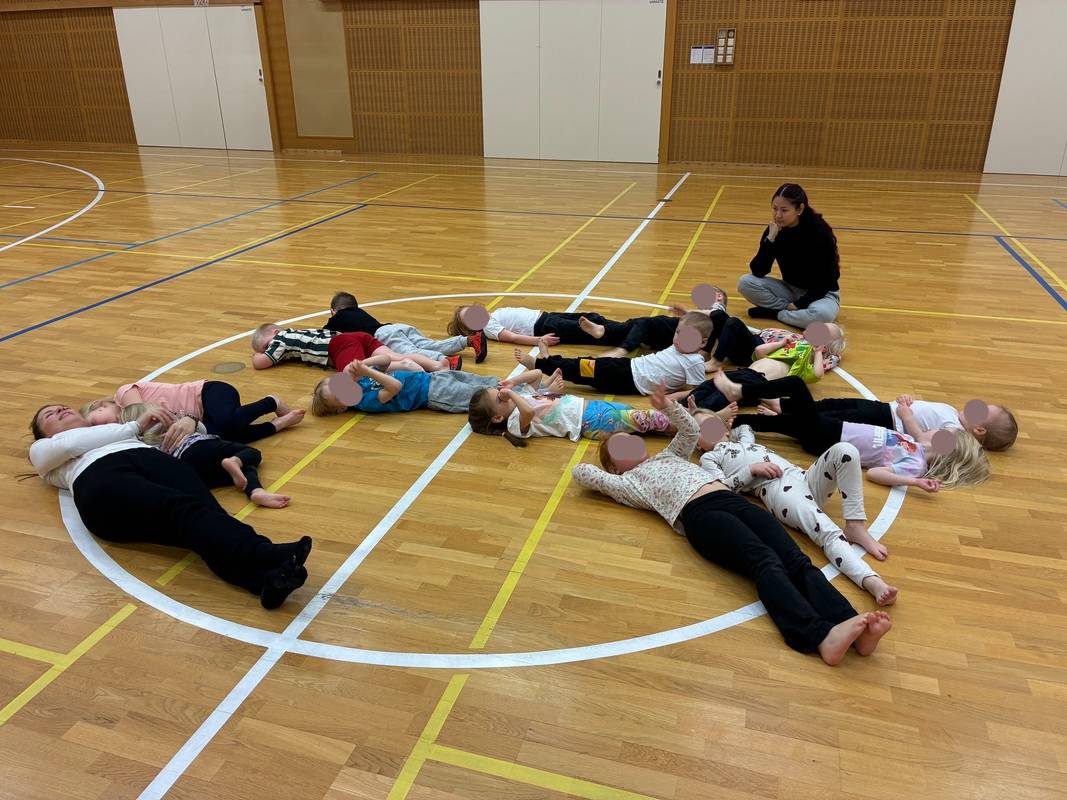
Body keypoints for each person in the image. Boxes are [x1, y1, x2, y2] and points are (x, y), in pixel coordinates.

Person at [571, 384, 891, 665]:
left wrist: (668, 405)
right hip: (701, 515)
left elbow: (690, 431)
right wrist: (608, 463)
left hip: (732, 500)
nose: (631, 444)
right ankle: (819, 636)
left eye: (631, 439)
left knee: (796, 559)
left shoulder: (670, 455)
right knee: (764, 562)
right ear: (614, 467)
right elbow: (581, 473)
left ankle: (851, 625)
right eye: (621, 447)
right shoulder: (627, 483)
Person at [28, 404, 311, 608]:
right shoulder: (43, 450)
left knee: (205, 519)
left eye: (62, 406)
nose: (59, 410)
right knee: (186, 512)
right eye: (49, 415)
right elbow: (67, 448)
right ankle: (265, 552)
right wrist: (134, 427)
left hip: (152, 461)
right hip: (100, 478)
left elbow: (182, 425)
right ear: (43, 433)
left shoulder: (113, 428)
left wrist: (187, 420)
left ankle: (265, 581)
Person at [697, 421, 897, 605]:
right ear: (698, 444)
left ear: (726, 430)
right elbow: (723, 490)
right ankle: (870, 580)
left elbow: (745, 427)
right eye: (701, 429)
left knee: (845, 450)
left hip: (804, 476)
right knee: (827, 531)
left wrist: (724, 419)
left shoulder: (744, 440)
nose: (708, 429)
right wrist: (751, 470)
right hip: (779, 490)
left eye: (711, 424)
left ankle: (855, 524)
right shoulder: (710, 457)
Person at [717, 375, 991, 491]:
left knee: (797, 386)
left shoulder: (916, 465)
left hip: (830, 438)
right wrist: (907, 411)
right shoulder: (916, 444)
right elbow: (919, 435)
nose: (932, 430)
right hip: (835, 430)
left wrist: (914, 482)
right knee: (782, 424)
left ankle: (741, 391)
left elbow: (875, 474)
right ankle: (729, 423)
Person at [108, 401, 290, 509]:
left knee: (241, 471)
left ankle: (255, 491)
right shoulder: (173, 422)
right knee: (250, 453)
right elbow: (202, 429)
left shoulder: (141, 442)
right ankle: (236, 463)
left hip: (190, 470)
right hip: (199, 446)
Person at [513, 312, 716, 396]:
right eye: (678, 332)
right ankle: (548, 361)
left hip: (629, 380)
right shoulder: (680, 347)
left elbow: (696, 392)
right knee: (583, 365)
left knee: (580, 370)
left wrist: (672, 397)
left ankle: (540, 363)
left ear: (703, 342)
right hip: (627, 366)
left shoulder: (694, 362)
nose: (678, 338)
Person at [467, 371, 678, 446]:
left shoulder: (521, 398)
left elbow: (537, 374)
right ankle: (686, 428)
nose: (504, 394)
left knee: (642, 418)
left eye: (500, 391)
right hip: (589, 421)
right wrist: (512, 394)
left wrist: (512, 383)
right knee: (647, 419)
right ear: (497, 418)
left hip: (592, 406)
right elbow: (529, 413)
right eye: (500, 398)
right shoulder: (514, 423)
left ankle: (679, 427)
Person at [761, 393, 1018, 452]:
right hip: (885, 409)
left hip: (887, 421)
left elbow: (923, 441)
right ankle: (784, 405)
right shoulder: (952, 414)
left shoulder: (954, 432)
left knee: (832, 418)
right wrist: (908, 402)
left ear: (979, 429)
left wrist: (907, 416)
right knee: (833, 404)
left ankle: (784, 418)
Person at [738, 183, 841, 327]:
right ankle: (793, 314)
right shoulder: (774, 230)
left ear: (800, 209)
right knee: (745, 283)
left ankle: (775, 313)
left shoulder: (819, 232)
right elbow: (758, 271)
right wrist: (770, 240)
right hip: (790, 289)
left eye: (784, 210)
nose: (778, 215)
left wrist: (799, 304)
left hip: (821, 294)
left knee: (823, 315)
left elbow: (829, 280)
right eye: (775, 209)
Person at [82, 379, 303, 444]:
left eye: (94, 422)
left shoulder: (124, 395)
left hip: (208, 393)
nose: (100, 428)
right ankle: (275, 425)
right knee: (224, 438)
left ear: (98, 405)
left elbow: (146, 413)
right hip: (202, 419)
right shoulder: (128, 427)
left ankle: (271, 402)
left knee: (227, 422)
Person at [311, 355, 536, 416]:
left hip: (434, 378)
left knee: (487, 382)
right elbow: (395, 387)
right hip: (434, 393)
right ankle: (528, 403)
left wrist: (363, 363)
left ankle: (533, 393)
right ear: (342, 408)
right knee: (484, 396)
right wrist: (367, 371)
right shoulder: (365, 402)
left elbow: (386, 360)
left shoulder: (360, 379)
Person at [325, 291, 487, 364]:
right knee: (431, 344)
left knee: (411, 353)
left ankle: (444, 361)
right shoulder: (358, 312)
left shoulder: (336, 320)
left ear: (333, 311)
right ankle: (470, 340)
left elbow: (323, 337)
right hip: (395, 327)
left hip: (382, 336)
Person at [250, 324, 459, 372]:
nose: (268, 349)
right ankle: (437, 365)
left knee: (354, 372)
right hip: (355, 337)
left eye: (266, 345)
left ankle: (406, 366)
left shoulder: (281, 339)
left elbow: (260, 363)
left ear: (275, 332)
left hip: (339, 346)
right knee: (395, 354)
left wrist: (259, 353)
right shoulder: (298, 332)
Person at [708, 318, 846, 378]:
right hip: (754, 343)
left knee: (733, 323)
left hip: (757, 350)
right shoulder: (800, 337)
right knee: (718, 316)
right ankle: (705, 351)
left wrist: (823, 352)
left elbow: (830, 360)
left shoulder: (812, 350)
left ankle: (716, 361)